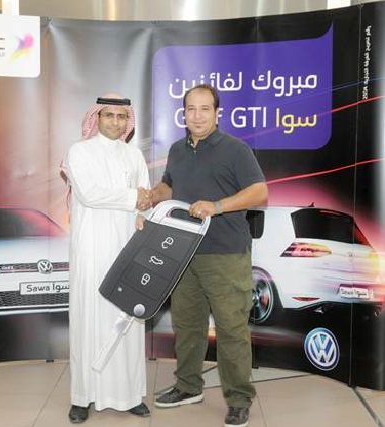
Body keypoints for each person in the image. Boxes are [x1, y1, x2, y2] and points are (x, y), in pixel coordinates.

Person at [151, 84, 268, 427]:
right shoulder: (177, 150)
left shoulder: (235, 149)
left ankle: (239, 399)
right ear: (183, 113)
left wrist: (217, 206)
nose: (197, 116)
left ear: (218, 114)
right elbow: (170, 184)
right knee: (187, 325)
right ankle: (188, 386)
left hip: (225, 254)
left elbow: (259, 192)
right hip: (183, 252)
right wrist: (154, 194)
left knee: (231, 329)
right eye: (191, 109)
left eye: (205, 109)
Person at [63, 94, 152, 423]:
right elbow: (89, 194)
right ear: (96, 118)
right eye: (108, 115)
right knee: (88, 320)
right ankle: (81, 396)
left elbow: (146, 199)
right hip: (91, 251)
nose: (115, 122)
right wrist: (134, 198)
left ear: (128, 121)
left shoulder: (134, 155)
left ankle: (129, 395)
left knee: (126, 320)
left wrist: (144, 209)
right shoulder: (79, 151)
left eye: (121, 116)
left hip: (127, 249)